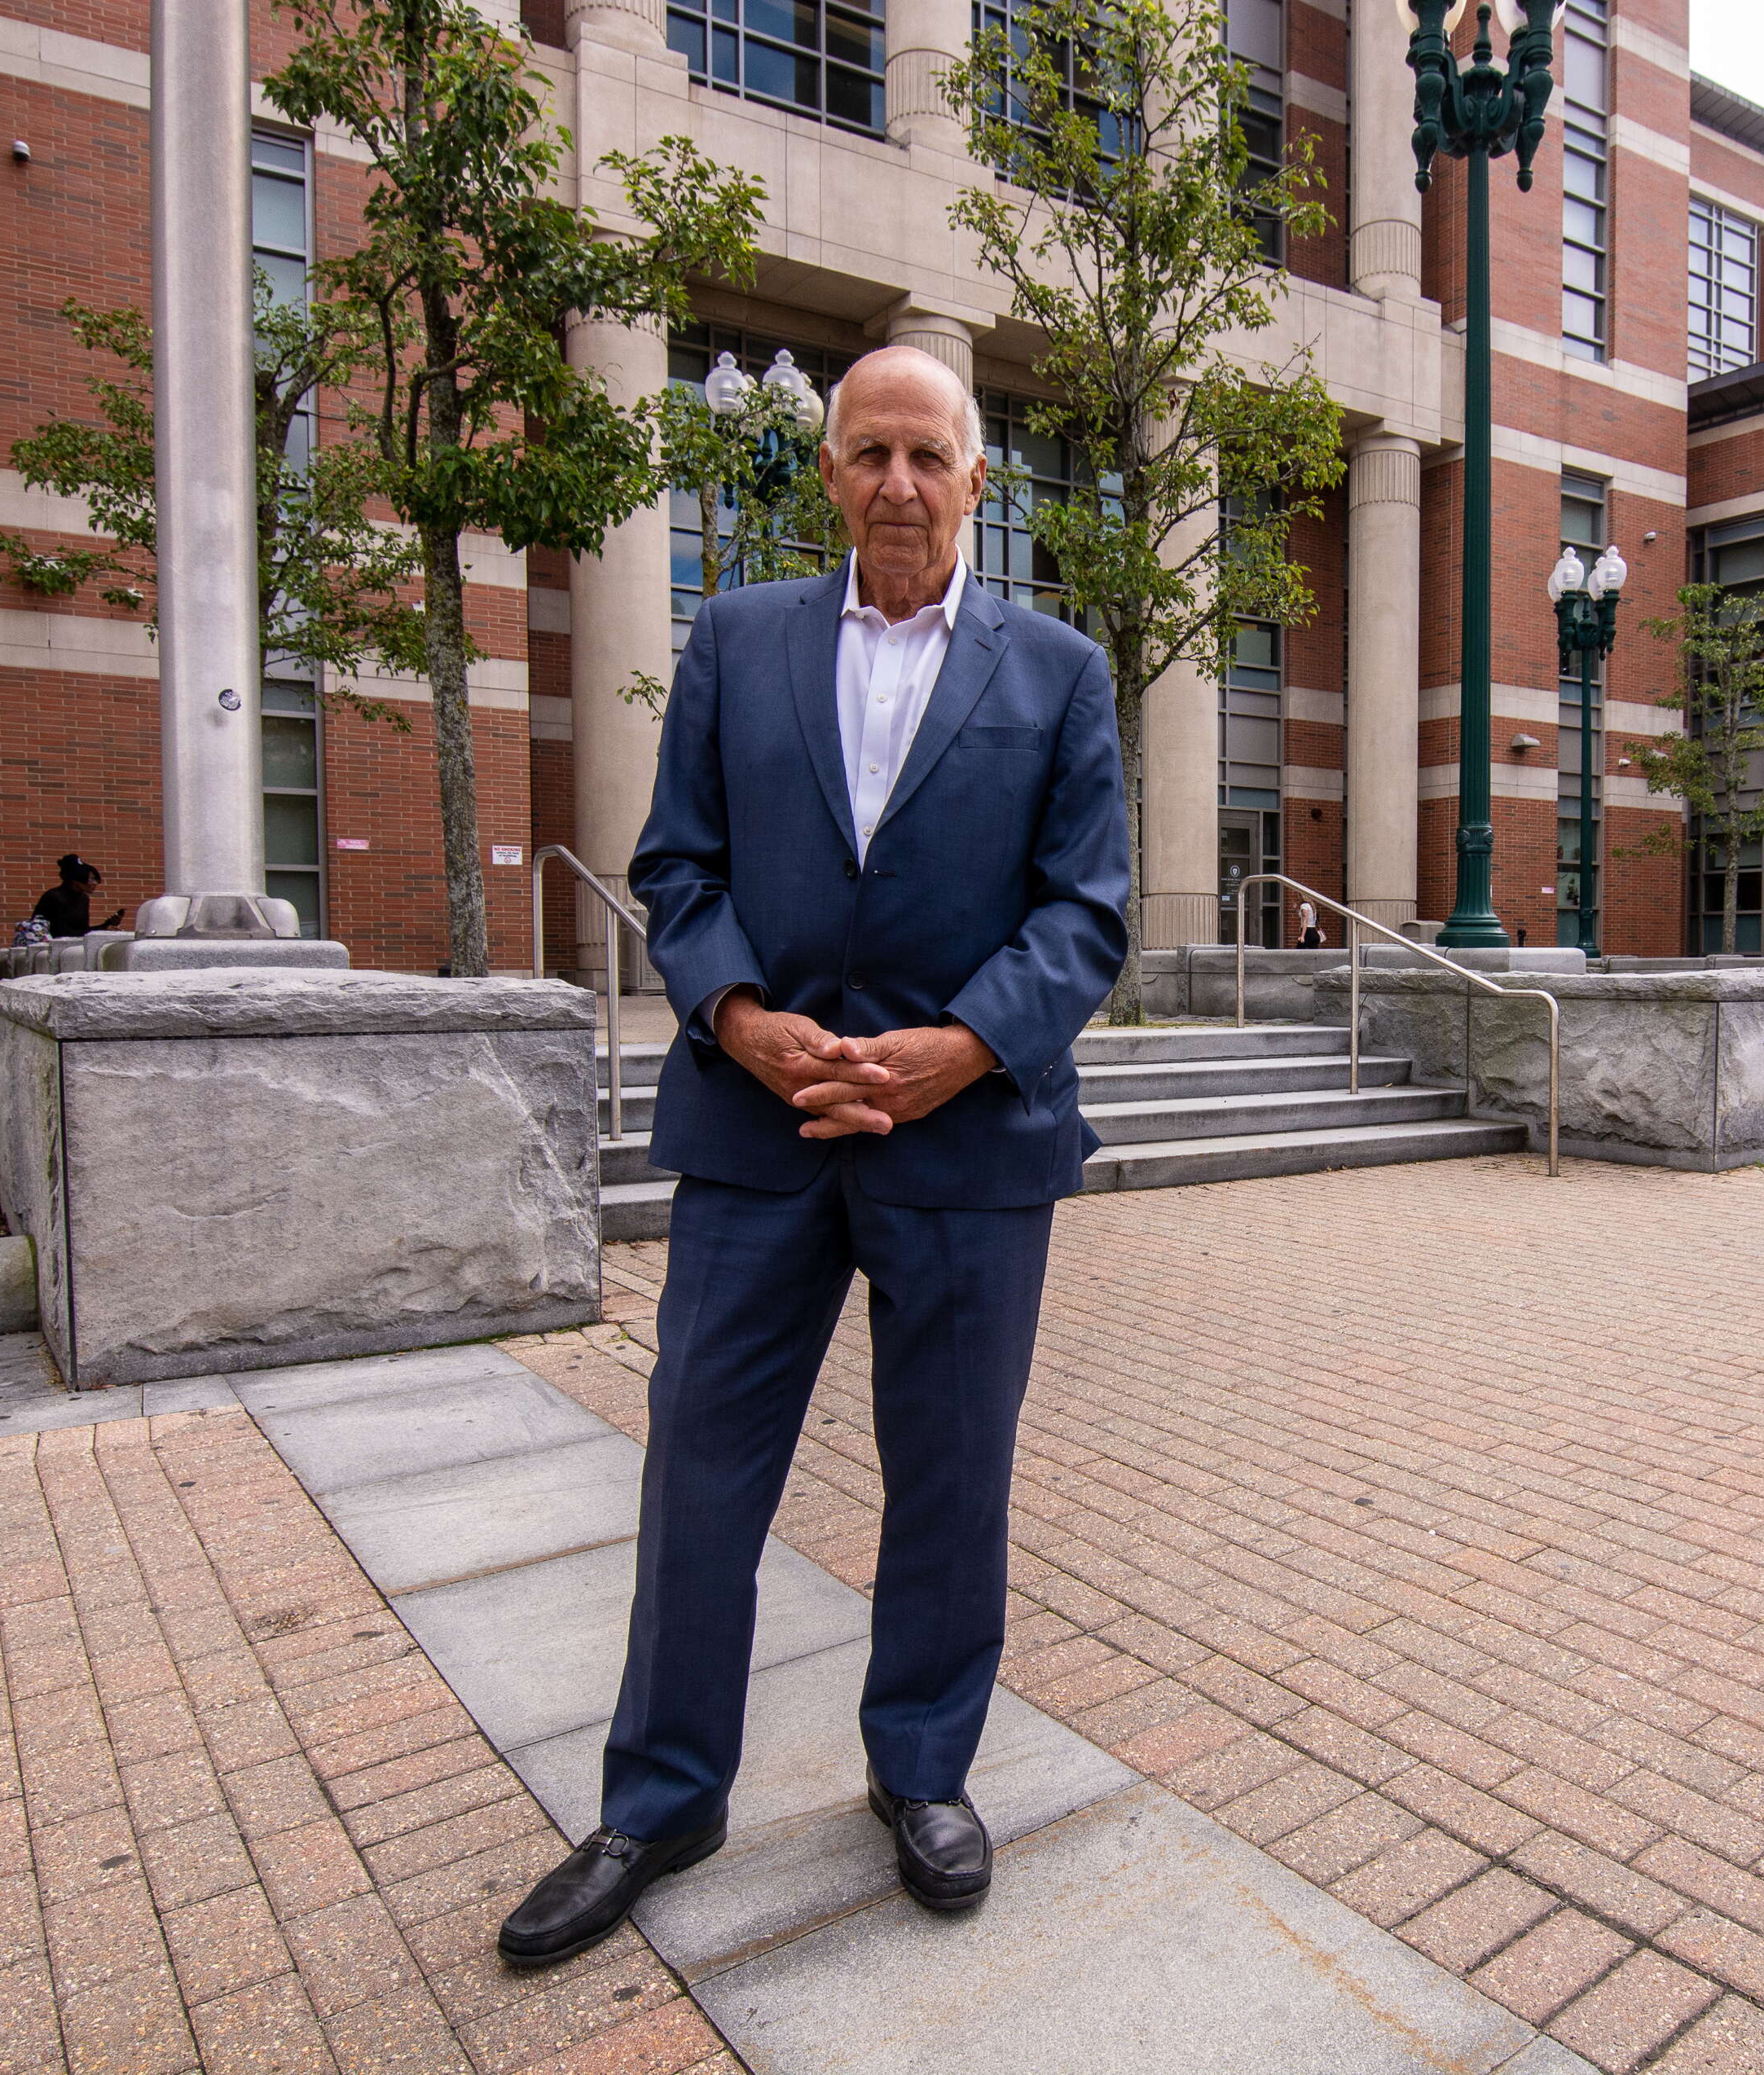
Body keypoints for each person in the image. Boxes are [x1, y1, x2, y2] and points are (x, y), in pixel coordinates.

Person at [497, 346, 1128, 1967]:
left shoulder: (1059, 672)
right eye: (870, 453)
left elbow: (1086, 910)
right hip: (757, 1126)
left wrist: (961, 1048)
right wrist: (738, 1012)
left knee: (951, 1483)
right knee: (699, 1468)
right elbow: (677, 865)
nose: (900, 483)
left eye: (930, 454)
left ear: (980, 477)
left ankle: (921, 1768)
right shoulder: (737, 640)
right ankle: (663, 1793)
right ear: (829, 471)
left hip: (967, 1141)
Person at [29, 855, 123, 938]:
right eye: (91, 879)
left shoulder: (84, 899)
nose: (95, 883)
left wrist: (106, 925)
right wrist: (101, 930)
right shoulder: (54, 897)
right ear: (76, 880)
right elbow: (61, 933)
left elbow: (82, 930)